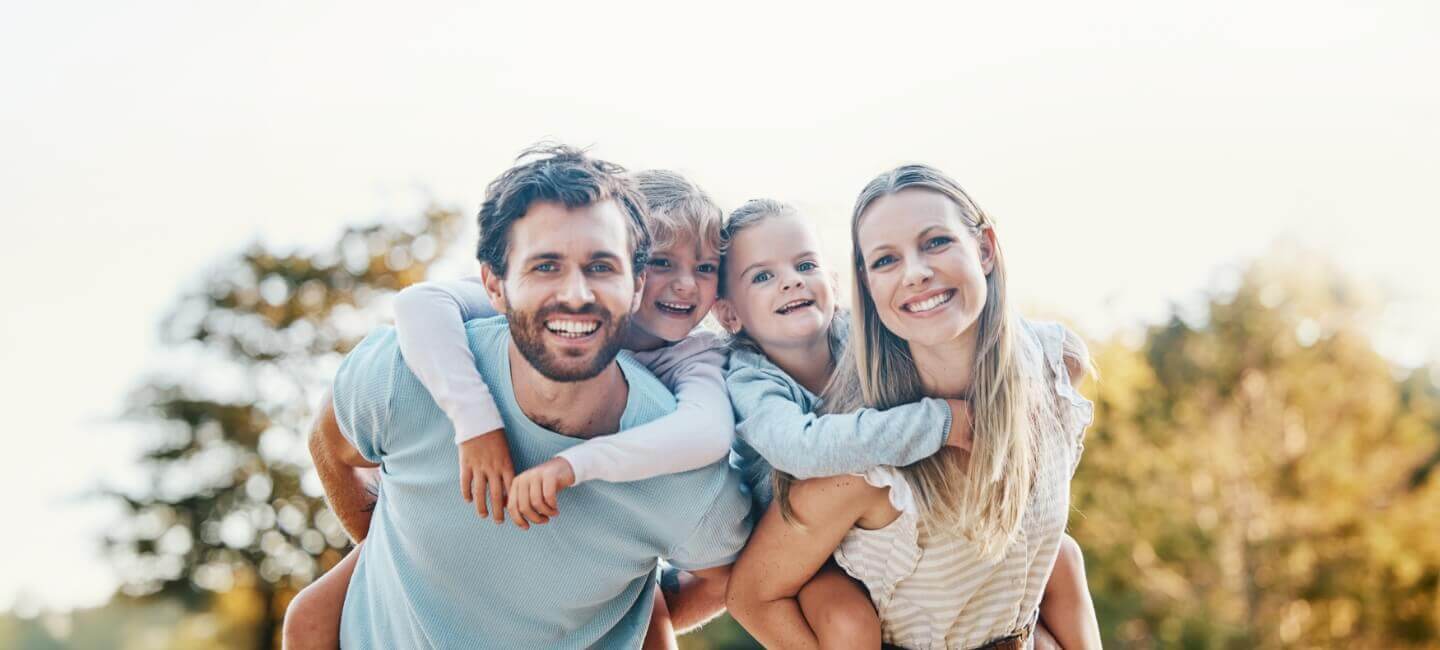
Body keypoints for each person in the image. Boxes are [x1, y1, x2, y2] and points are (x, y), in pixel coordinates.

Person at [286, 144, 750, 649]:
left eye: (601, 266)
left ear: (632, 283)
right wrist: (402, 548)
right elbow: (336, 431)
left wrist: (619, 620)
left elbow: (724, 565)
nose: (576, 293)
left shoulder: (686, 423)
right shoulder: (411, 372)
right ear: (494, 284)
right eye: (546, 266)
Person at [727, 167, 1103, 649]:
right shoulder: (857, 462)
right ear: (868, 285)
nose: (916, 272)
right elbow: (753, 596)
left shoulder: (1056, 369)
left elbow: (1035, 563)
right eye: (886, 260)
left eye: (936, 242)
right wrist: (943, 422)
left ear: (985, 248)